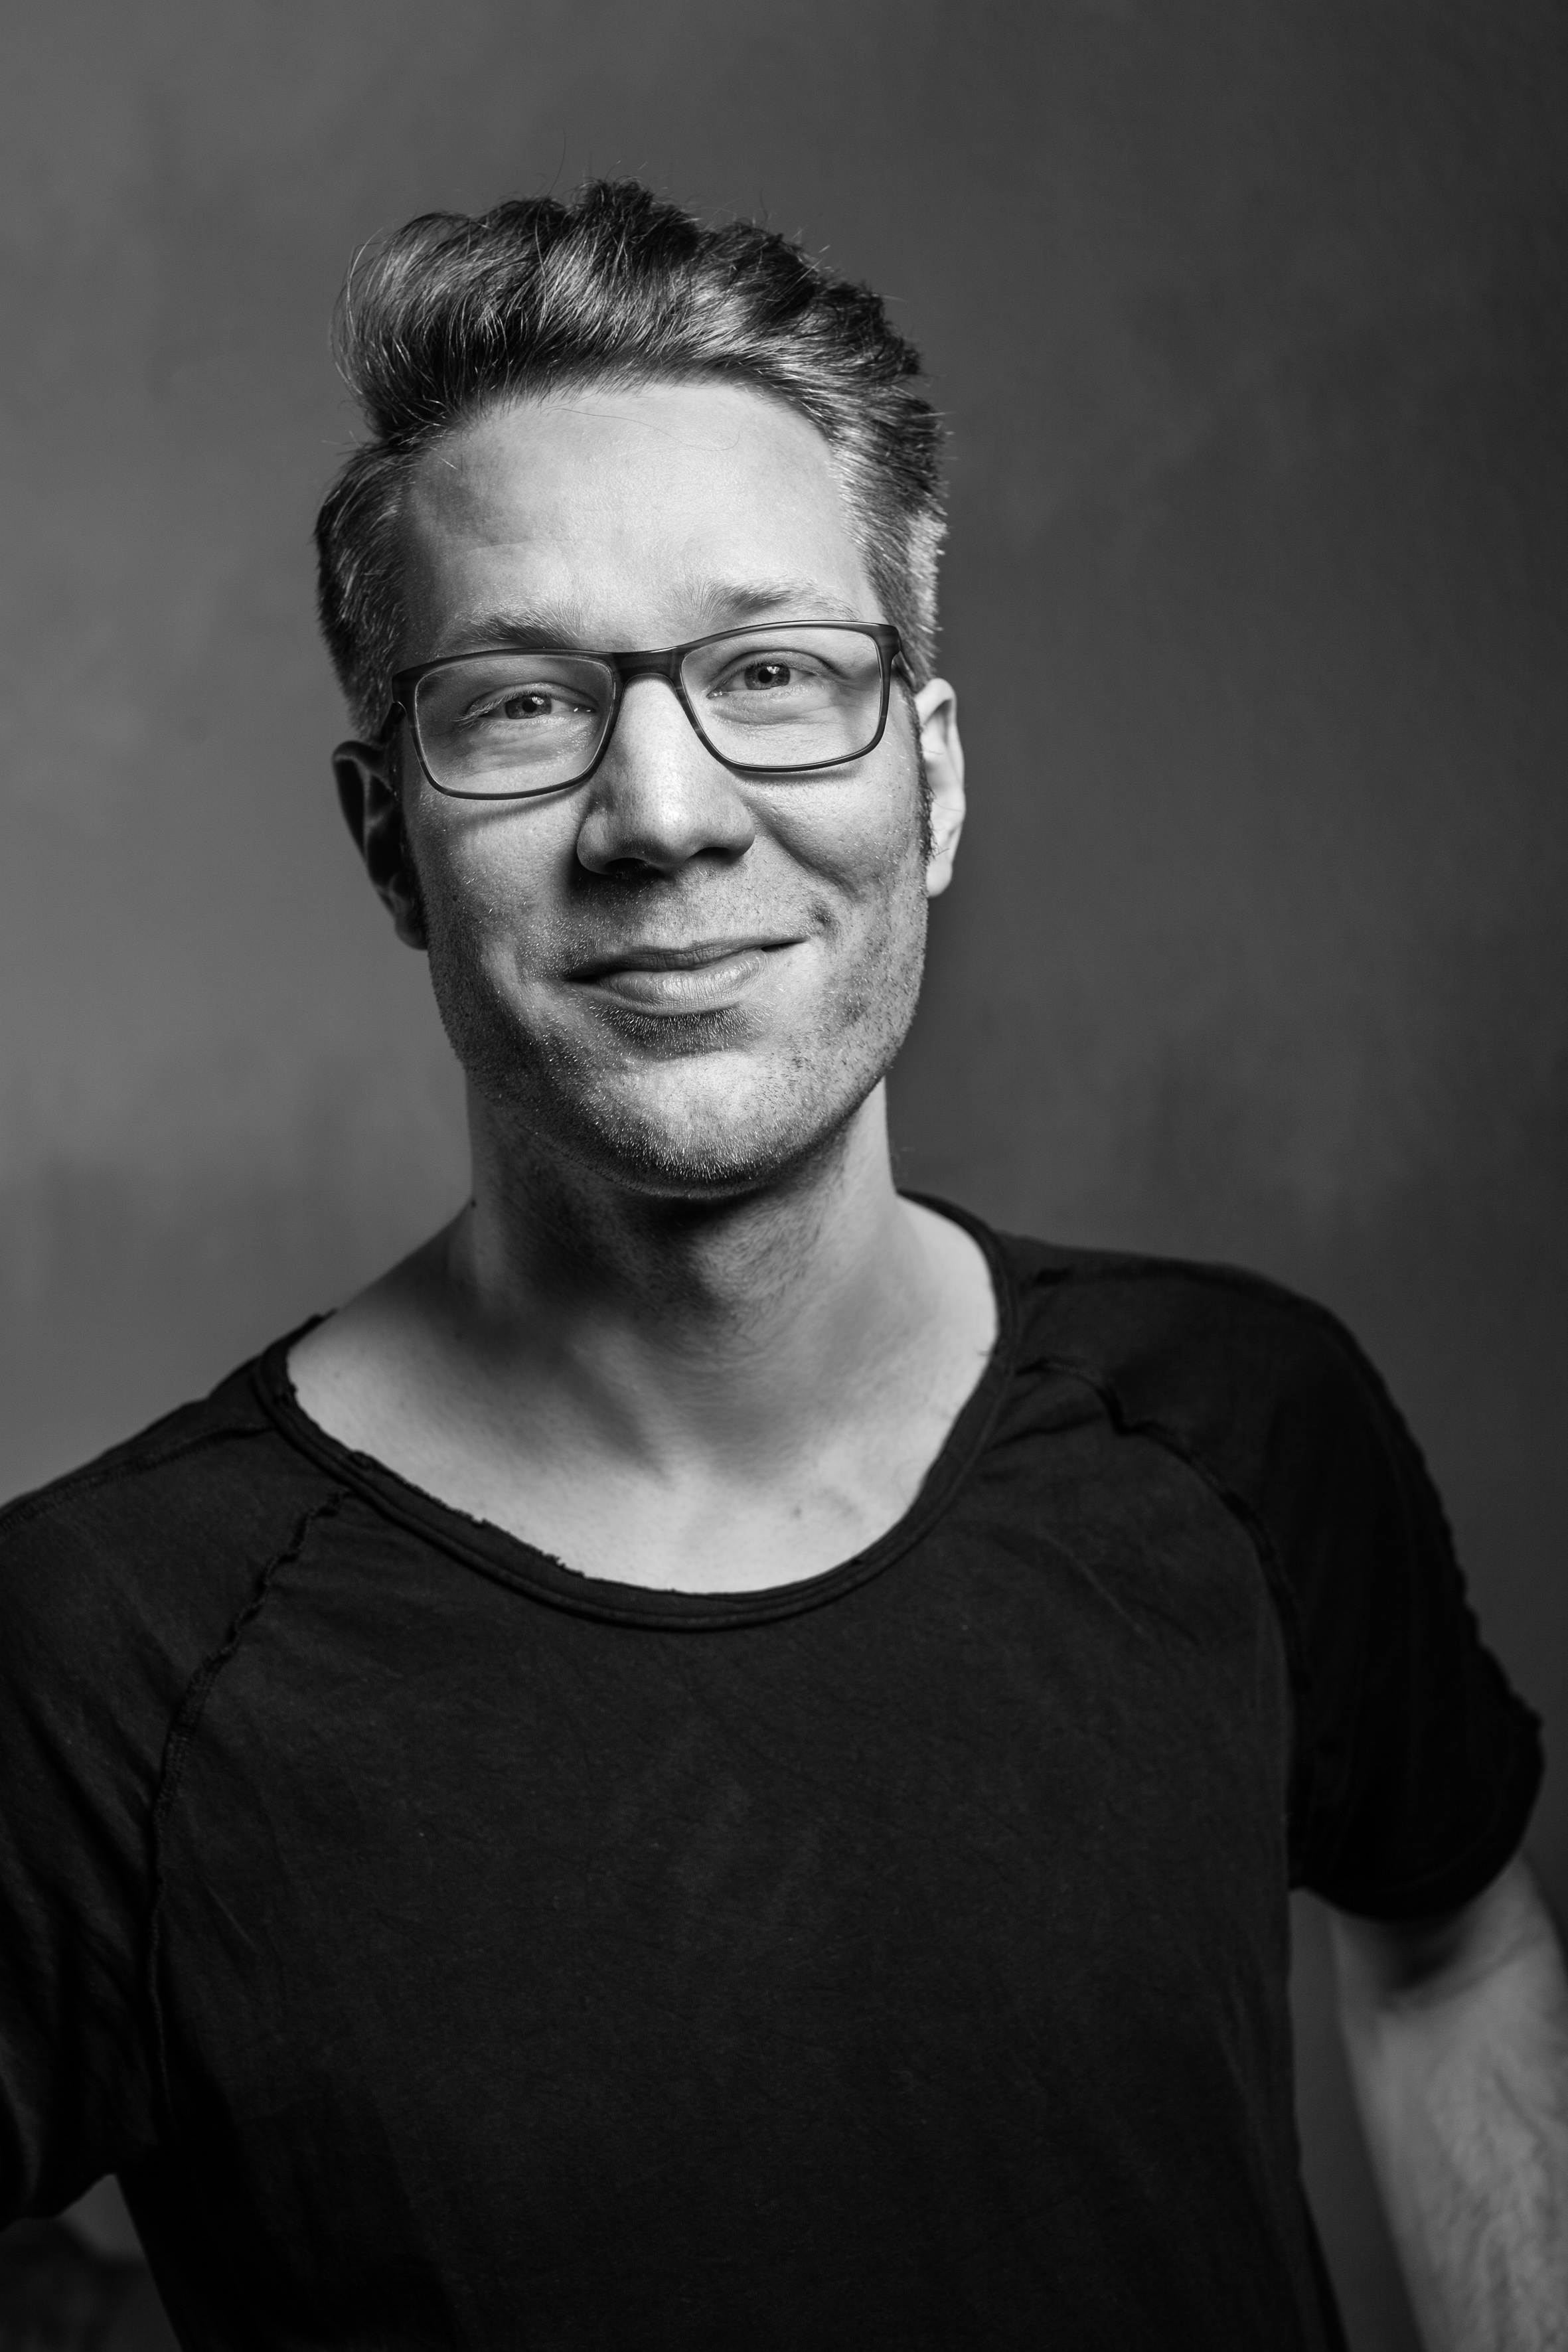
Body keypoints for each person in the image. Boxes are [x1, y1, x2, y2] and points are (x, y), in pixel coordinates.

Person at [0, 179, 1563, 2352]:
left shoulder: (1239, 1427)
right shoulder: (99, 1657)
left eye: (771, 674)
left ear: (931, 782)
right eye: (520, 703)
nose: (662, 812)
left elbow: (1454, 1946)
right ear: (389, 844)